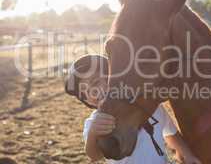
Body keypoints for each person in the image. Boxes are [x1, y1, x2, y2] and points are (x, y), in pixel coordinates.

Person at [65, 54, 201, 164]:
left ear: (113, 78)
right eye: (85, 93)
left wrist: (187, 154)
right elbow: (94, 155)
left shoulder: (150, 106)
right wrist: (93, 135)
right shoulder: (97, 122)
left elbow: (170, 133)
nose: (93, 92)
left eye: (96, 82)